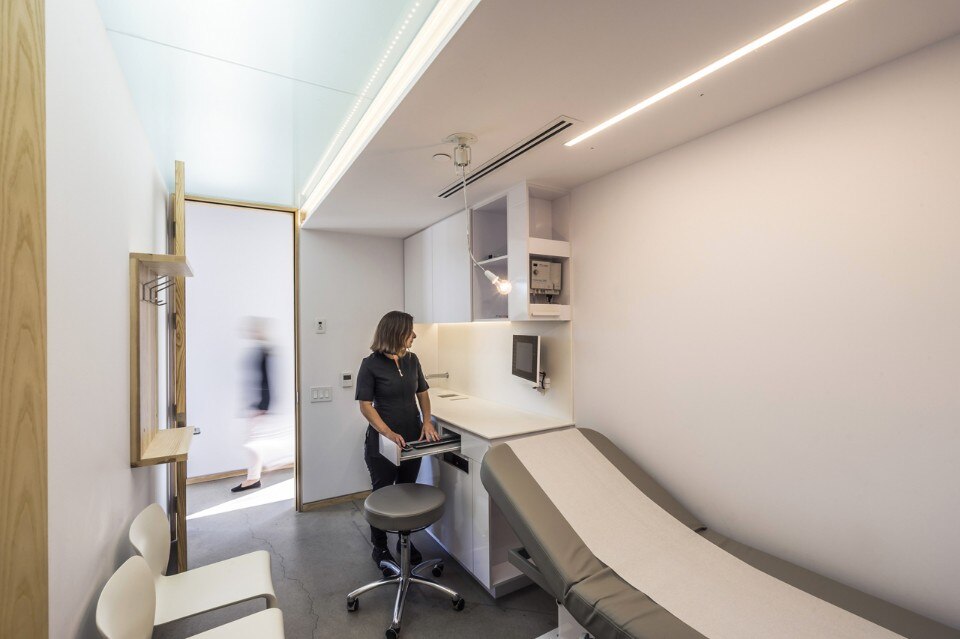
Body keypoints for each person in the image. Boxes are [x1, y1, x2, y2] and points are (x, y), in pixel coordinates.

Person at [356, 310, 440, 570]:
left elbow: (423, 392)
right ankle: (380, 546)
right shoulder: (370, 364)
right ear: (395, 333)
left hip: (411, 440)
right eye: (409, 331)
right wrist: (388, 433)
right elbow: (365, 405)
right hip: (382, 443)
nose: (414, 335)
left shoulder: (412, 360)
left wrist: (427, 421)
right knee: (382, 494)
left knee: (407, 491)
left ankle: (405, 542)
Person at [232, 317, 272, 492]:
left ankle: (253, 479)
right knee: (254, 442)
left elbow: (266, 381)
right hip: (256, 405)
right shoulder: (261, 350)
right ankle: (253, 477)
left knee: (253, 443)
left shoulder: (264, 352)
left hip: (259, 406)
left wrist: (262, 406)